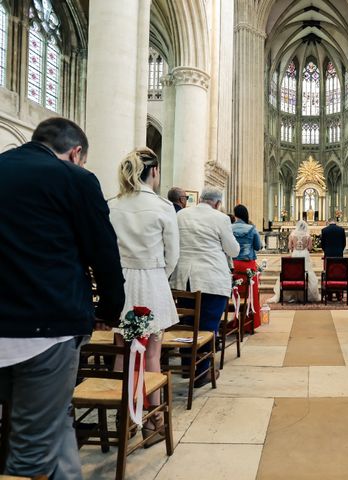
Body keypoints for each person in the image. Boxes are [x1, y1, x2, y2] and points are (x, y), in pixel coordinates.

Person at [0, 118, 125, 479]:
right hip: (46, 327)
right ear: (76, 153)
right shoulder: (75, 178)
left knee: (56, 418)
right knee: (30, 454)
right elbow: (103, 254)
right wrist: (109, 310)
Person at [108, 147, 179, 443]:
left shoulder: (112, 205)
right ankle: (153, 422)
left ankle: (122, 420)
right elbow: (172, 255)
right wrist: (157, 276)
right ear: (154, 172)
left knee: (121, 353)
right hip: (152, 281)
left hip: (120, 282)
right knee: (152, 354)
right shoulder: (162, 207)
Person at [171, 187, 239, 385]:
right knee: (208, 325)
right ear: (218, 203)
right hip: (211, 279)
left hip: (184, 279)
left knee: (187, 324)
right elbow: (233, 250)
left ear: (199, 199)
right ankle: (201, 372)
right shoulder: (220, 218)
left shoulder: (181, 215)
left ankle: (186, 367)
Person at [268, 220, 321, 303]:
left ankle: (293, 294)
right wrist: (304, 247)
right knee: (306, 273)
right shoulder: (308, 236)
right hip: (304, 255)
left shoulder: (292, 235)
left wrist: (294, 248)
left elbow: (289, 246)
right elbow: (310, 248)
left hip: (295, 254)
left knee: (294, 273)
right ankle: (305, 295)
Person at [231, 204, 263, 331]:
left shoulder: (228, 228)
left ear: (235, 215)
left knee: (233, 291)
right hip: (247, 264)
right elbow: (258, 246)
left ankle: (231, 323)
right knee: (250, 293)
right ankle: (249, 324)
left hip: (232, 264)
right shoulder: (252, 229)